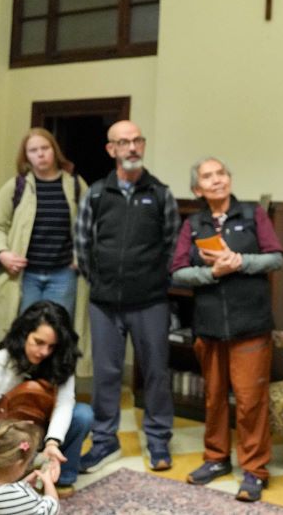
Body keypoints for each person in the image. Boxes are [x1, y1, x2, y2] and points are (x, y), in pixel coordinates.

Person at [171, 157, 283, 502]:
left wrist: (240, 262)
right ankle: (216, 458)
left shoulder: (252, 214)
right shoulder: (193, 224)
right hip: (208, 326)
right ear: (197, 189)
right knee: (214, 398)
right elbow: (176, 271)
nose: (217, 180)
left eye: (221, 173)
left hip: (250, 326)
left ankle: (254, 470)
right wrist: (212, 274)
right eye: (208, 176)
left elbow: (276, 257)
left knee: (250, 402)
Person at [74, 120, 179, 472]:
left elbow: (172, 245)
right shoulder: (97, 193)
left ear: (143, 145)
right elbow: (83, 244)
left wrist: (154, 281)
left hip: (150, 300)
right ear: (111, 150)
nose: (131, 148)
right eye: (123, 142)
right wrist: (99, 280)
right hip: (105, 302)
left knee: (155, 373)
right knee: (105, 374)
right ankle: (104, 441)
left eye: (136, 141)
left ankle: (158, 439)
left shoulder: (161, 194)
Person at [0, 301, 92, 495]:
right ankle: (18, 469)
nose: (44, 352)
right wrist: (18, 436)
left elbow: (64, 404)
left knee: (83, 415)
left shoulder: (61, 359)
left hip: (42, 431)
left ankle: (60, 476)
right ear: (24, 334)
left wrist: (52, 442)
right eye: (38, 342)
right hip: (4, 435)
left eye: (52, 346)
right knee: (8, 492)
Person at [0, 128, 87, 354]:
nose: (40, 154)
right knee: (24, 335)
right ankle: (21, 387)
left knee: (56, 335)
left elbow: (91, 226)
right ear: (26, 156)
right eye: (33, 150)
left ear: (54, 151)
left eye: (45, 148)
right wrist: (2, 253)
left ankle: (50, 386)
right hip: (23, 276)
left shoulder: (76, 185)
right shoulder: (16, 186)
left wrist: (82, 255)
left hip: (63, 275)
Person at [0, 419, 59, 515]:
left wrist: (23, 484)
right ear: (18, 464)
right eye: (27, 463)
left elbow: (7, 496)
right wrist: (48, 482)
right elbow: (51, 509)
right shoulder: (23, 496)